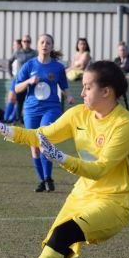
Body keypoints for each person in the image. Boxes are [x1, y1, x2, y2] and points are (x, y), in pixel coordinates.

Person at [0, 60, 129, 258]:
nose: (83, 92)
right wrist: (7, 131)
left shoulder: (126, 125)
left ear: (107, 91)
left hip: (113, 202)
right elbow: (42, 135)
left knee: (61, 237)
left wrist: (61, 158)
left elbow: (100, 170)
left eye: (88, 87)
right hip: (81, 197)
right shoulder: (78, 114)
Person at [13, 34, 75, 192]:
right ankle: (42, 180)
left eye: (48, 43)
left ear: (51, 46)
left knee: (44, 141)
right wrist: (28, 82)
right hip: (31, 110)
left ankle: (48, 177)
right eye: (42, 42)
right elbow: (16, 88)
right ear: (38, 45)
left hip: (51, 108)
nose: (45, 45)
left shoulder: (58, 67)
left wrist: (68, 97)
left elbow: (64, 87)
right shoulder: (29, 65)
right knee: (34, 146)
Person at [4, 35, 38, 123]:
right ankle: (18, 118)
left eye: (28, 41)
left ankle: (29, 117)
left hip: (31, 80)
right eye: (24, 41)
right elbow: (9, 61)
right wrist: (11, 74)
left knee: (30, 99)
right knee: (19, 100)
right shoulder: (17, 52)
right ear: (22, 43)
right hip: (20, 80)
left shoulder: (34, 53)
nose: (26, 43)